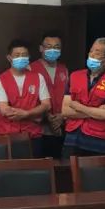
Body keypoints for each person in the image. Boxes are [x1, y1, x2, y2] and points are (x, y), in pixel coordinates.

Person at [62, 37, 105, 158]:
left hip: (99, 140)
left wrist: (79, 107)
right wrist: (97, 111)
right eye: (91, 51)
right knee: (68, 169)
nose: (91, 55)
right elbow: (65, 111)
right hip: (73, 138)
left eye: (97, 53)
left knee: (95, 170)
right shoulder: (75, 76)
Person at [0, 39, 49, 156]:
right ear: (9, 58)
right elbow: (4, 110)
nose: (21, 58)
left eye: (24, 55)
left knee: (34, 167)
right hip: (7, 135)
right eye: (17, 55)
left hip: (33, 136)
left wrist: (27, 114)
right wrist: (34, 115)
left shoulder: (38, 77)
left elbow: (46, 105)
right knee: (7, 167)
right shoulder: (0, 80)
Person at [32, 31, 68, 160]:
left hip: (61, 127)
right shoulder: (31, 69)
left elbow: (69, 96)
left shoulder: (64, 69)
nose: (53, 50)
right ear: (41, 48)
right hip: (39, 128)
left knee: (59, 165)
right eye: (48, 46)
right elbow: (30, 98)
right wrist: (48, 117)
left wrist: (61, 117)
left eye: (56, 47)